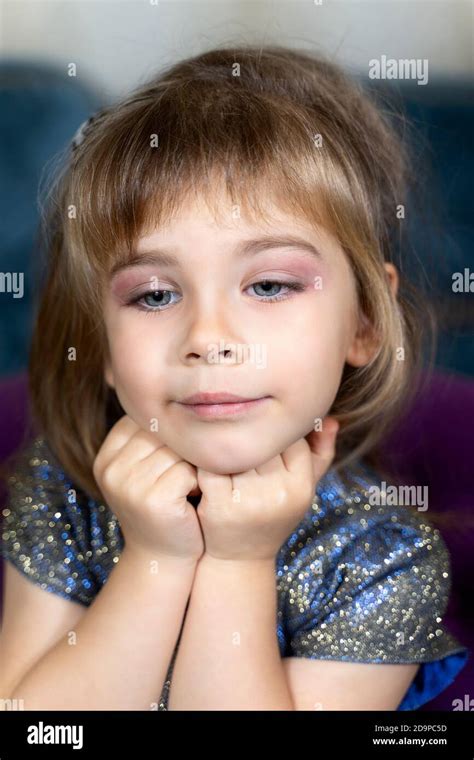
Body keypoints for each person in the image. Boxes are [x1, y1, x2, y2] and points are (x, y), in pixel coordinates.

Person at [0, 44, 468, 711]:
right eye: (155, 295)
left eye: (271, 284)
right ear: (101, 343)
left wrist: (237, 563)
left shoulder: (381, 559)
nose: (209, 339)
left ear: (364, 322)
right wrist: (155, 559)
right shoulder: (64, 488)